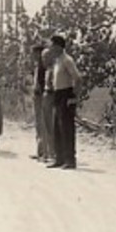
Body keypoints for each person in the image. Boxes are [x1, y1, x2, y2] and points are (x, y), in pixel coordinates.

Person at [48, 33, 81, 170]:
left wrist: (74, 97)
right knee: (57, 127)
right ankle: (59, 158)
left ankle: (70, 160)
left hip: (66, 94)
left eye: (52, 45)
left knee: (67, 128)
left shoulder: (67, 60)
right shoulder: (57, 61)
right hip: (58, 94)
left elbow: (77, 78)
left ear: (58, 46)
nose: (50, 48)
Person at [32, 43, 55, 163]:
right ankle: (40, 150)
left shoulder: (44, 69)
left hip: (42, 98)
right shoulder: (38, 67)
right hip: (38, 97)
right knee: (39, 125)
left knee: (43, 125)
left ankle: (45, 152)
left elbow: (42, 85)